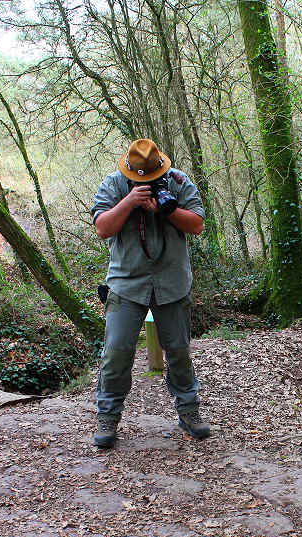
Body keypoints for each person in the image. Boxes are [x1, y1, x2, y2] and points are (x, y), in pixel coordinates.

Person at [91, 138, 210, 448]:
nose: (147, 182)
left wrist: (164, 210)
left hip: (171, 282)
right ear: (129, 172)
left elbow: (196, 224)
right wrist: (129, 202)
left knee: (179, 351)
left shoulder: (177, 181)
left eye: (151, 178)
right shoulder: (114, 185)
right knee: (116, 352)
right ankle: (108, 416)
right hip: (127, 283)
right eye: (140, 179)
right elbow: (102, 228)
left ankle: (189, 411)